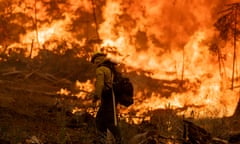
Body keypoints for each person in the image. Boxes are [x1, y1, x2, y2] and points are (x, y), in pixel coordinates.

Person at [91, 52, 122, 144]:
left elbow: (100, 84)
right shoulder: (110, 69)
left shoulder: (101, 69)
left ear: (98, 60)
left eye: (95, 61)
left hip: (108, 98)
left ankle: (119, 141)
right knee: (101, 121)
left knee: (108, 121)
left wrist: (96, 97)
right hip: (112, 98)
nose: (95, 63)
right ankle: (103, 140)